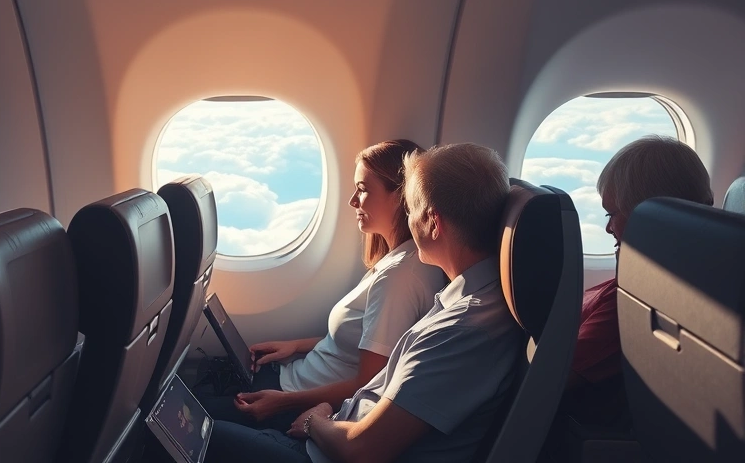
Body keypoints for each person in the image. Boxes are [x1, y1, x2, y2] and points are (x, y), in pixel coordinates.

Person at [204, 142, 522, 463]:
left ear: (433, 223)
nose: (408, 221)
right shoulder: (468, 297)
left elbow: (362, 451)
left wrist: (315, 419)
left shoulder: (460, 329)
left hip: (324, 450)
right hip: (336, 425)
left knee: (198, 433)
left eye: (411, 210)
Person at [197, 140, 446, 431]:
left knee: (188, 412)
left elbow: (366, 383)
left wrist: (281, 402)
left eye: (363, 189)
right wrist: (296, 346)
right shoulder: (397, 261)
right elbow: (364, 345)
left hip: (296, 400)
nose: (353, 200)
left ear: (401, 196)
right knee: (202, 376)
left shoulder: (398, 279)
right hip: (293, 380)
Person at [563, 135, 713, 425]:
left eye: (612, 214)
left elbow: (548, 378)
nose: (607, 228)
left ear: (648, 213)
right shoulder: (639, 283)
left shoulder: (636, 299)